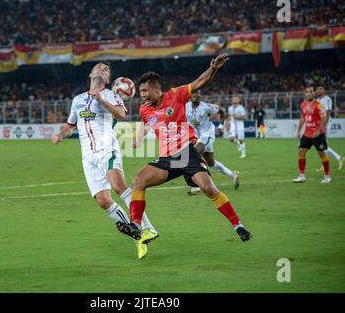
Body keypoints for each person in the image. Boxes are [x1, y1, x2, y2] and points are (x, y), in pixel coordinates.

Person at [116, 53, 253, 247]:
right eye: (140, 92)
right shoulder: (145, 109)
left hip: (186, 152)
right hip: (167, 158)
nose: (143, 95)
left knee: (208, 188)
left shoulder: (176, 94)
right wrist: (138, 138)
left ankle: (238, 226)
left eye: (146, 91)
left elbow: (199, 82)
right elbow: (146, 123)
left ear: (157, 89)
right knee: (138, 181)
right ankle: (136, 226)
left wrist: (213, 68)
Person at [52, 62, 158, 259]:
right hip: (88, 156)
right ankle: (137, 238)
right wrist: (60, 135)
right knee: (103, 200)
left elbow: (122, 114)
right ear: (91, 73)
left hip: (107, 148)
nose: (102, 69)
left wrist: (101, 100)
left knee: (119, 186)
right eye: (99, 67)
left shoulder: (110, 95)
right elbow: (70, 125)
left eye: (106, 69)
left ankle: (148, 228)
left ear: (108, 80)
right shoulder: (78, 100)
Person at [185, 90, 240, 195]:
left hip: (207, 135)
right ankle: (233, 175)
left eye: (198, 93)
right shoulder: (185, 106)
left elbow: (222, 111)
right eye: (193, 93)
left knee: (194, 154)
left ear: (201, 96)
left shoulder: (206, 107)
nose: (195, 95)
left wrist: (220, 126)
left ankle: (196, 185)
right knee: (211, 162)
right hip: (195, 136)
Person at [293, 86, 331, 184]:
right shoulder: (303, 104)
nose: (309, 93)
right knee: (301, 151)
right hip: (307, 134)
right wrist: (298, 131)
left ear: (313, 93)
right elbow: (302, 118)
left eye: (310, 92)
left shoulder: (318, 105)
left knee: (321, 154)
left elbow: (323, 117)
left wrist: (319, 130)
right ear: (305, 94)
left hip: (318, 134)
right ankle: (302, 176)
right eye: (307, 92)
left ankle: (327, 176)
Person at [315, 85, 344, 171]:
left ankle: (339, 158)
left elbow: (328, 113)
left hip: (324, 124)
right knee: (321, 146)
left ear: (324, 91)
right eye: (317, 89)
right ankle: (324, 164)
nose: (318, 90)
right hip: (319, 124)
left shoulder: (327, 99)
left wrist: (324, 125)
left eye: (320, 89)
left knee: (323, 146)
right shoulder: (317, 100)